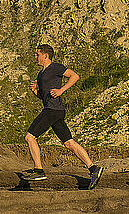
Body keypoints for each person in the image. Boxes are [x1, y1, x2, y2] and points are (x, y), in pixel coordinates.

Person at [22, 44, 103, 190]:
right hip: (53, 109)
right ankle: (93, 169)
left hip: (53, 110)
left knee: (30, 137)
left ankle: (38, 170)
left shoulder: (56, 68)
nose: (35, 57)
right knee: (69, 143)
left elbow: (75, 76)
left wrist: (61, 90)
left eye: (37, 54)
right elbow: (43, 97)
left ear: (45, 55)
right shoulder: (41, 74)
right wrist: (35, 91)